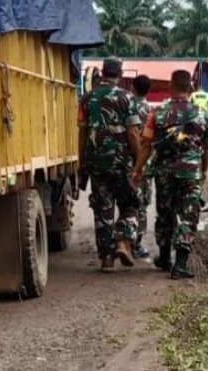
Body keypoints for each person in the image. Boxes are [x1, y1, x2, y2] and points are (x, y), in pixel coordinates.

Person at [132, 69, 208, 279]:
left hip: (165, 173)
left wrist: (138, 169)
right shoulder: (203, 114)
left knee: (165, 214)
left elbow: (146, 144)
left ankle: (165, 257)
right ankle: (181, 264)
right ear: (190, 87)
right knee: (188, 214)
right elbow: (207, 147)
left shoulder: (157, 113)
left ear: (170, 86)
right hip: (191, 173)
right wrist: (203, 170)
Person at [78, 58, 142, 271]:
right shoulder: (127, 97)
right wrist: (139, 161)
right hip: (120, 162)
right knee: (131, 203)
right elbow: (132, 133)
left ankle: (106, 258)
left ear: (103, 73)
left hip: (96, 162)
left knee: (102, 209)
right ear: (120, 74)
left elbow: (83, 133)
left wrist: (82, 162)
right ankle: (122, 240)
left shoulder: (87, 98)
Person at [130, 74, 153, 259]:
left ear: (133, 88)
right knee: (141, 203)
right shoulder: (150, 111)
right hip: (144, 162)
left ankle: (123, 239)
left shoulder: (127, 106)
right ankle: (136, 244)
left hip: (126, 160)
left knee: (127, 201)